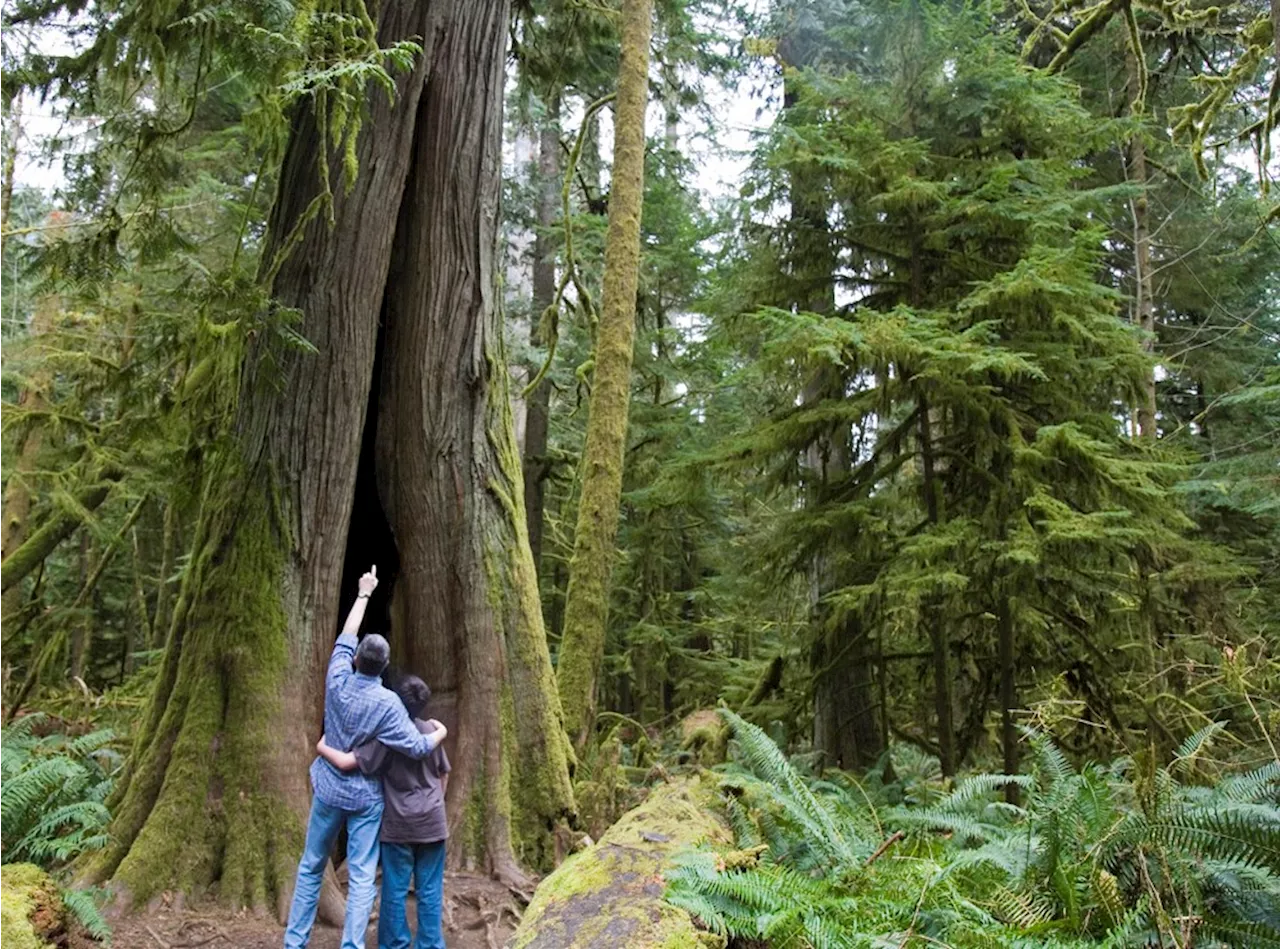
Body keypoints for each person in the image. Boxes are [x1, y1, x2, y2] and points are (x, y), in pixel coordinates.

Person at [284, 566, 448, 949]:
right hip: (365, 800)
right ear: (383, 666)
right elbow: (418, 746)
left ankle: (294, 943)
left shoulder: (337, 676)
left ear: (356, 658)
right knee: (360, 877)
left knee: (310, 866)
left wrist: (363, 593)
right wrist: (440, 731)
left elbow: (345, 635)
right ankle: (352, 946)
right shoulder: (389, 704)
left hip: (327, 789)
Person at [317, 673, 450, 949]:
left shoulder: (386, 736)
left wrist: (321, 744)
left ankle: (394, 943)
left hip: (398, 825)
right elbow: (442, 774)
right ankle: (430, 944)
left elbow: (346, 762)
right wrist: (436, 802)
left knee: (395, 889)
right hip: (433, 822)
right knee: (430, 889)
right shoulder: (431, 731)